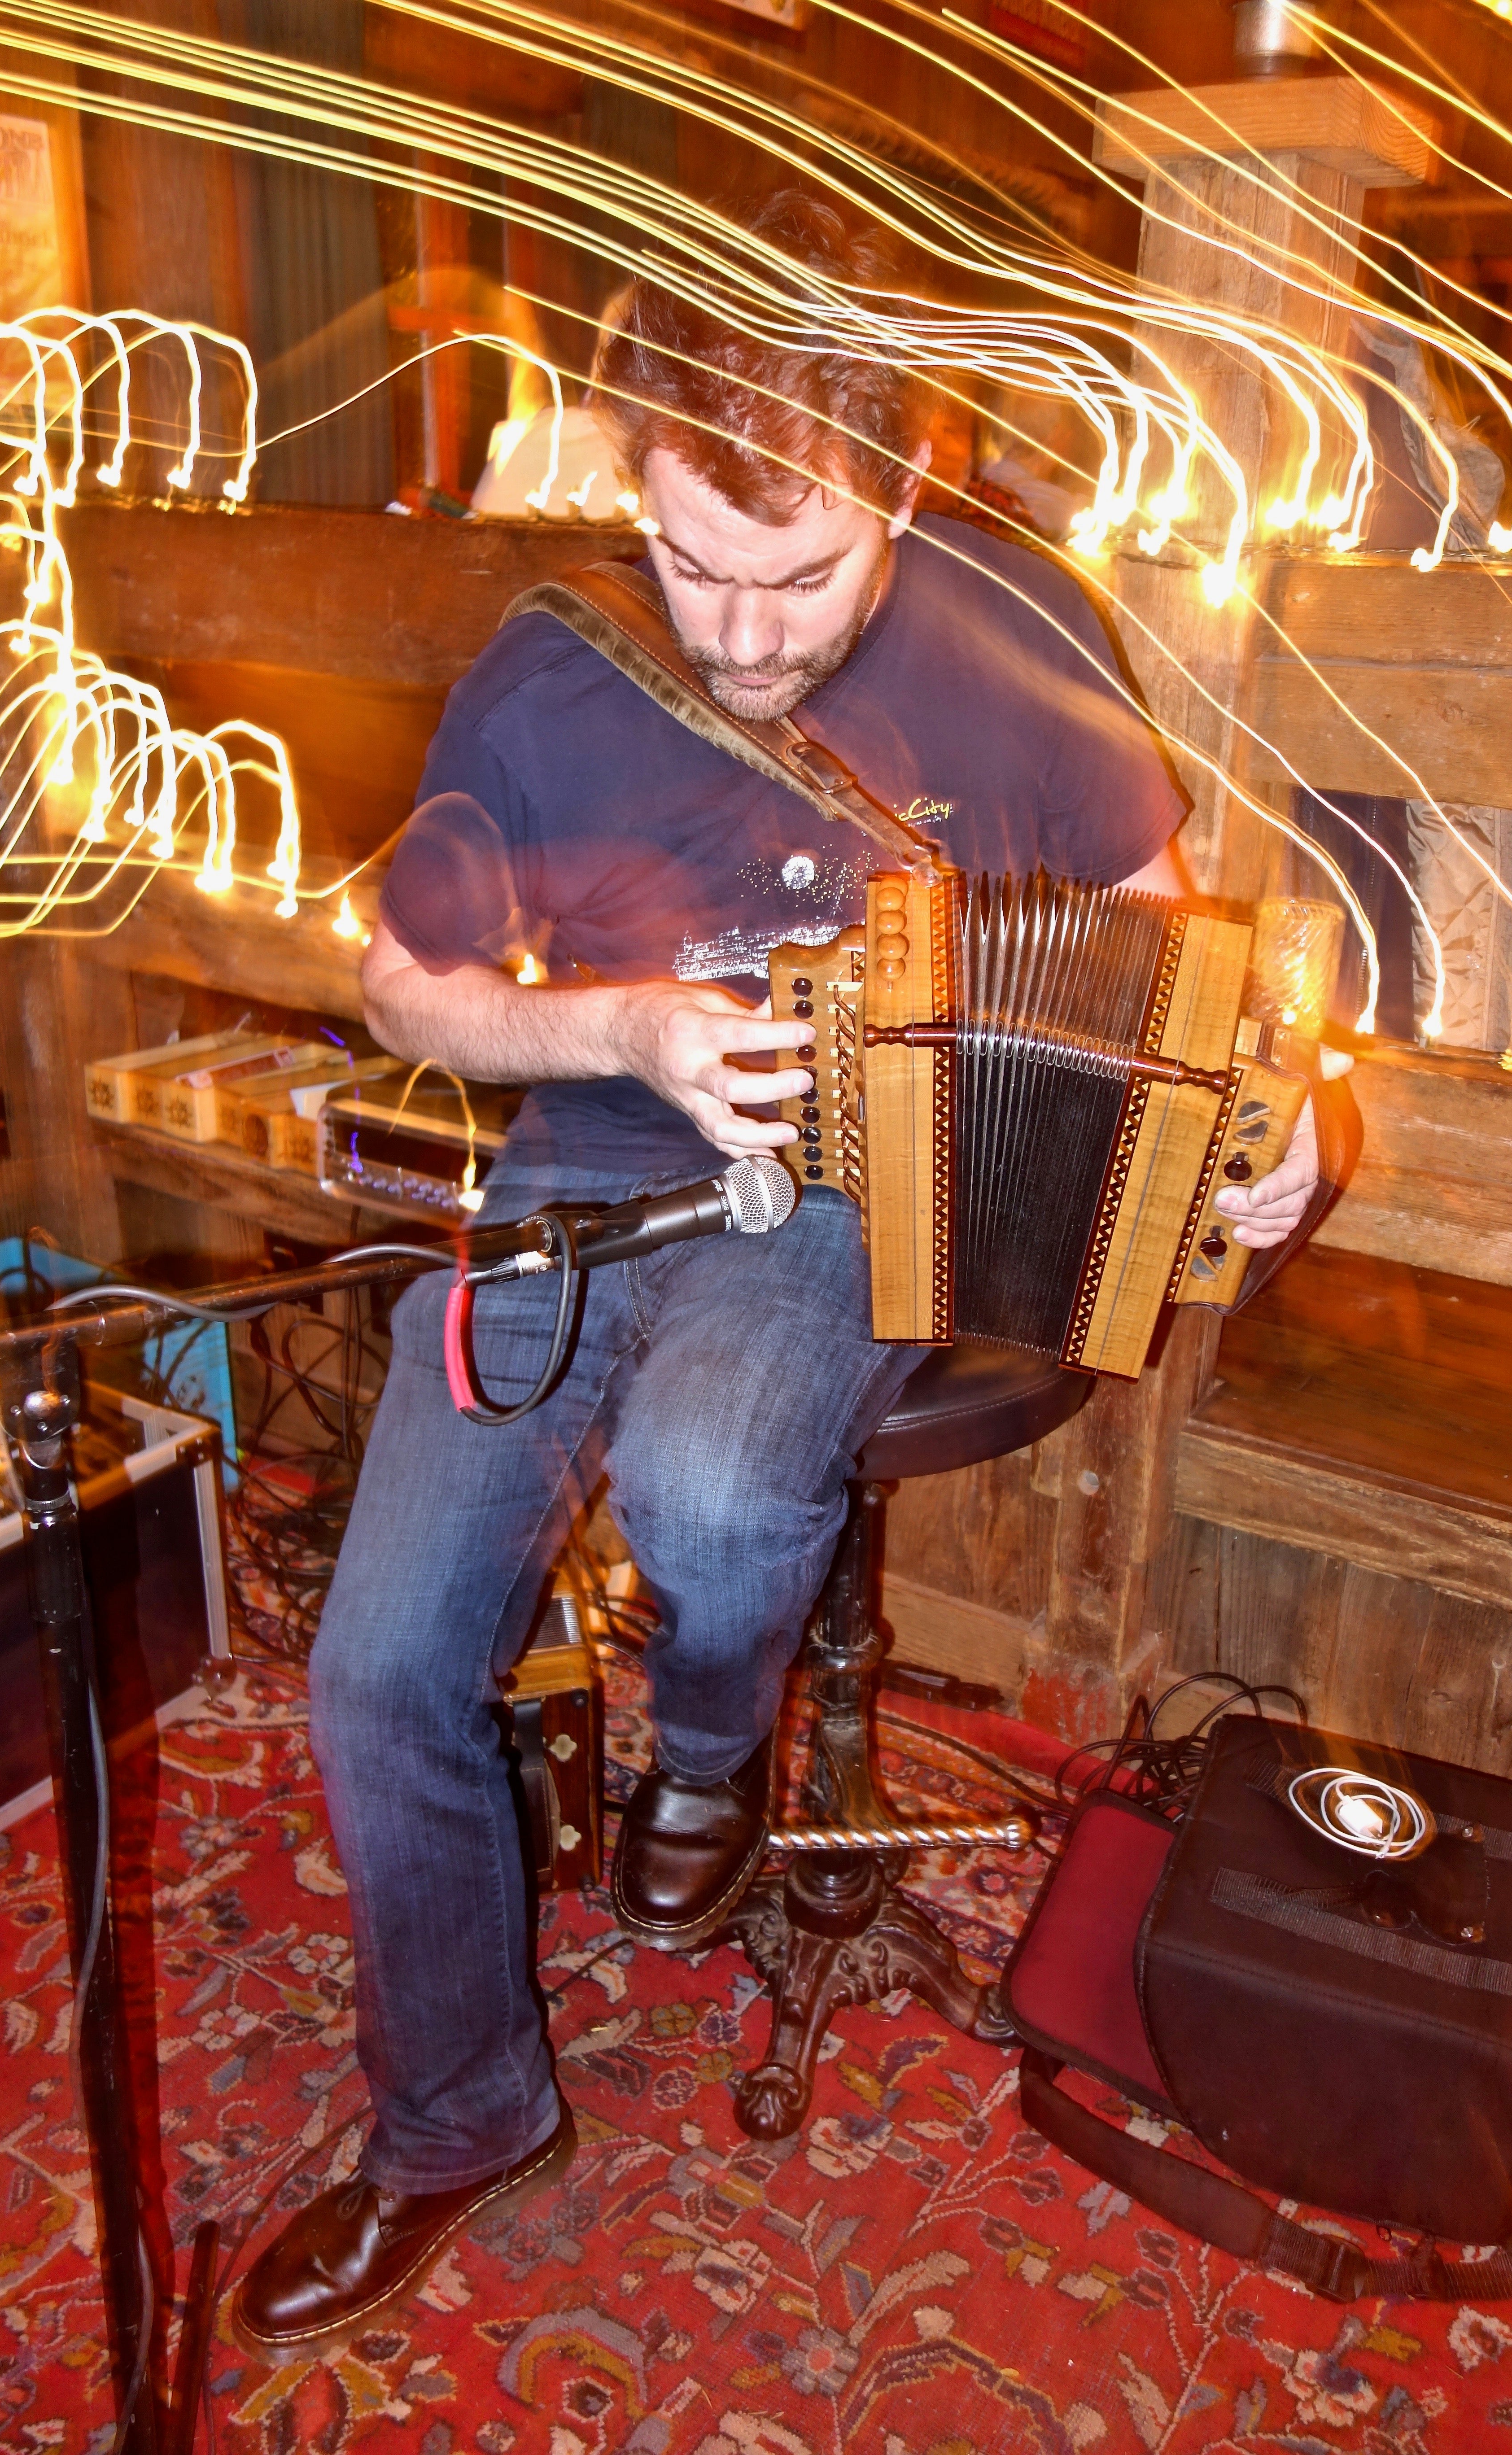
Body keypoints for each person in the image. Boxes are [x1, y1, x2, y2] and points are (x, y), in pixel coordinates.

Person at [233, 193, 1326, 2359]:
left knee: (719, 1488)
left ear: (902, 484)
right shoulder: (556, 663)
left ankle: (713, 1753)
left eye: (799, 573)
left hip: (856, 1182)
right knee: (374, 1673)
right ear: (635, 478)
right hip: (581, 1160)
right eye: (691, 562)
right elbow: (406, 988)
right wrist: (623, 1030)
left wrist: (1285, 1125)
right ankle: (456, 2127)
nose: (736, 635)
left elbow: (1176, 958)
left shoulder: (1020, 631)